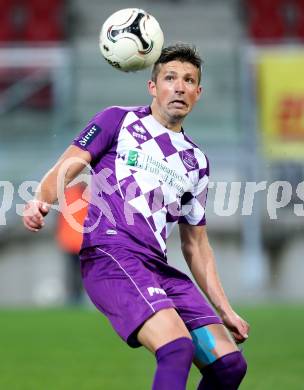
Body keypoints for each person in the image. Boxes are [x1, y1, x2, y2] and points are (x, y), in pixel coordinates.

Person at [23, 43, 249, 389]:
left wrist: (225, 309)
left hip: (157, 266)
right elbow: (68, 164)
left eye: (189, 80)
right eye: (170, 77)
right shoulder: (119, 120)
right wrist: (41, 198)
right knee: (176, 348)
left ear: (198, 93)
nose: (179, 86)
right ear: (152, 87)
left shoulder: (197, 162)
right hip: (111, 255)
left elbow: (197, 245)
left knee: (230, 366)